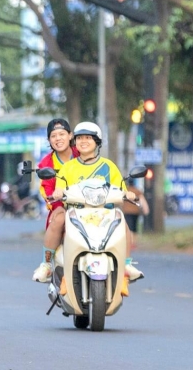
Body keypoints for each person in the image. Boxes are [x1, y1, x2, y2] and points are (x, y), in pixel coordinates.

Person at [33, 122, 143, 284]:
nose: (84, 142)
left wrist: (128, 194)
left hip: (103, 211)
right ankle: (47, 263)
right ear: (75, 141)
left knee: (121, 222)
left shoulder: (108, 166)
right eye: (80, 138)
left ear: (97, 142)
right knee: (58, 219)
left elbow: (120, 188)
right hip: (75, 211)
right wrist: (58, 193)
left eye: (88, 138)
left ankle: (126, 264)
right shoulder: (67, 168)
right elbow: (59, 188)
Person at [32, 119, 77, 282]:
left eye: (62, 134)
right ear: (49, 140)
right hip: (61, 206)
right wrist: (57, 201)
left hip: (87, 205)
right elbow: (46, 190)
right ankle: (47, 264)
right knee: (59, 218)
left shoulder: (82, 154)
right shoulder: (46, 163)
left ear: (70, 135)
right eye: (53, 136)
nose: (58, 138)